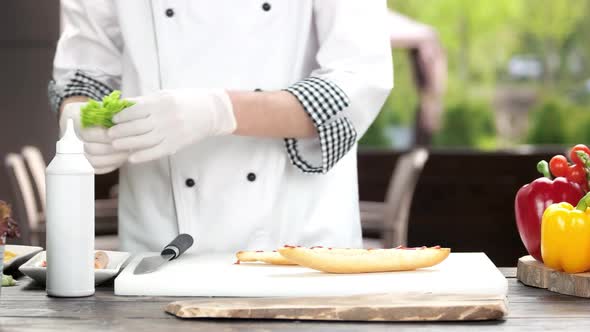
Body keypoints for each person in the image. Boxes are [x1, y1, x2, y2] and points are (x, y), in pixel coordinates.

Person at [50, 0, 393, 253]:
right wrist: (78, 119)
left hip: (297, 242)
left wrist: (219, 111)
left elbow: (357, 85)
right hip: (160, 243)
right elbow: (86, 71)